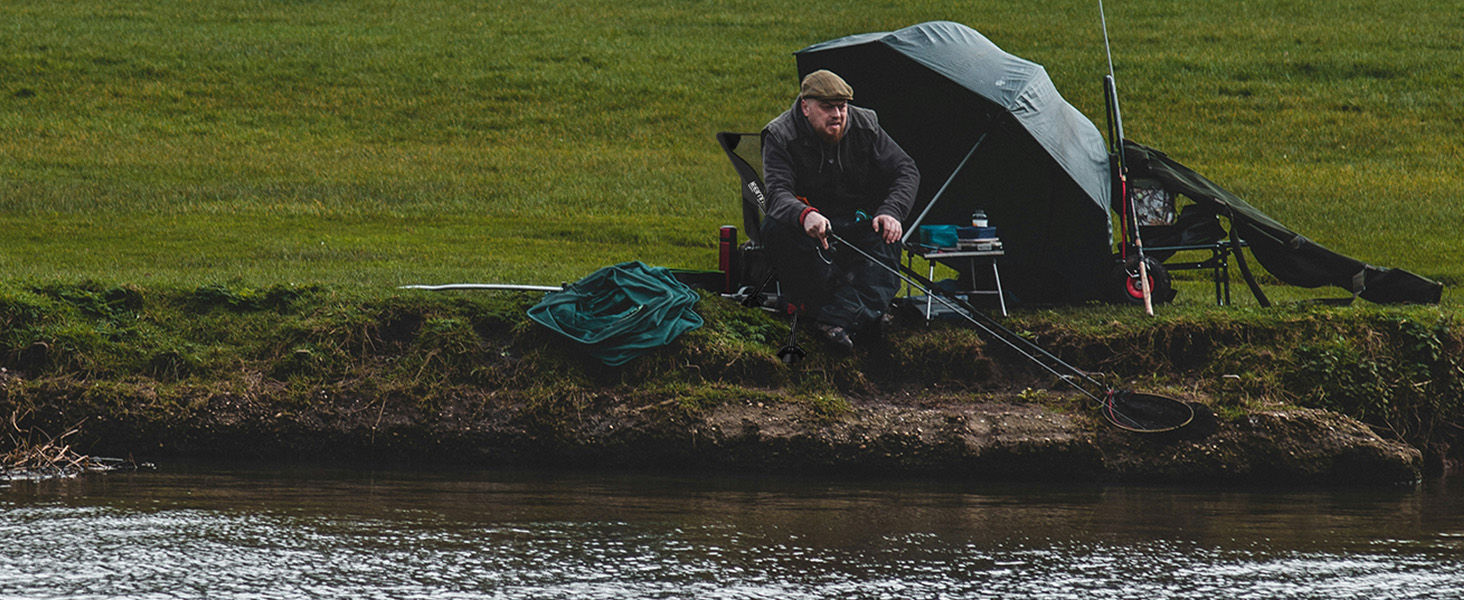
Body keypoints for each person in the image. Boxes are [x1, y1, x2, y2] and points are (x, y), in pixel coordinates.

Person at [760, 69, 920, 352]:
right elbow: (776, 194)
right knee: (775, 227)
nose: (837, 114)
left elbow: (906, 170)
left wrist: (891, 211)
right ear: (805, 107)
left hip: (859, 222)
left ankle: (835, 321)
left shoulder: (866, 125)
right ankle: (865, 315)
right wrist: (804, 214)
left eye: (842, 107)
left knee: (887, 238)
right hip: (810, 227)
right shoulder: (780, 134)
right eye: (827, 107)